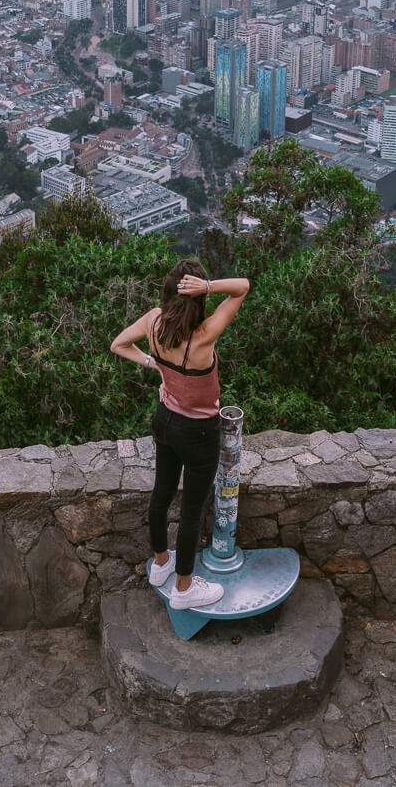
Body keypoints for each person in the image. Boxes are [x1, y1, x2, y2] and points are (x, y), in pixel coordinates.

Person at [110, 259, 249, 610]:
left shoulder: (153, 322)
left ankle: (161, 564)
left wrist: (153, 364)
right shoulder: (204, 338)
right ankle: (184, 590)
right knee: (191, 510)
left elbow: (119, 345)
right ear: (199, 299)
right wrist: (209, 286)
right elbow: (243, 286)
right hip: (199, 432)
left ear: (167, 294)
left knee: (162, 492)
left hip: (165, 421)